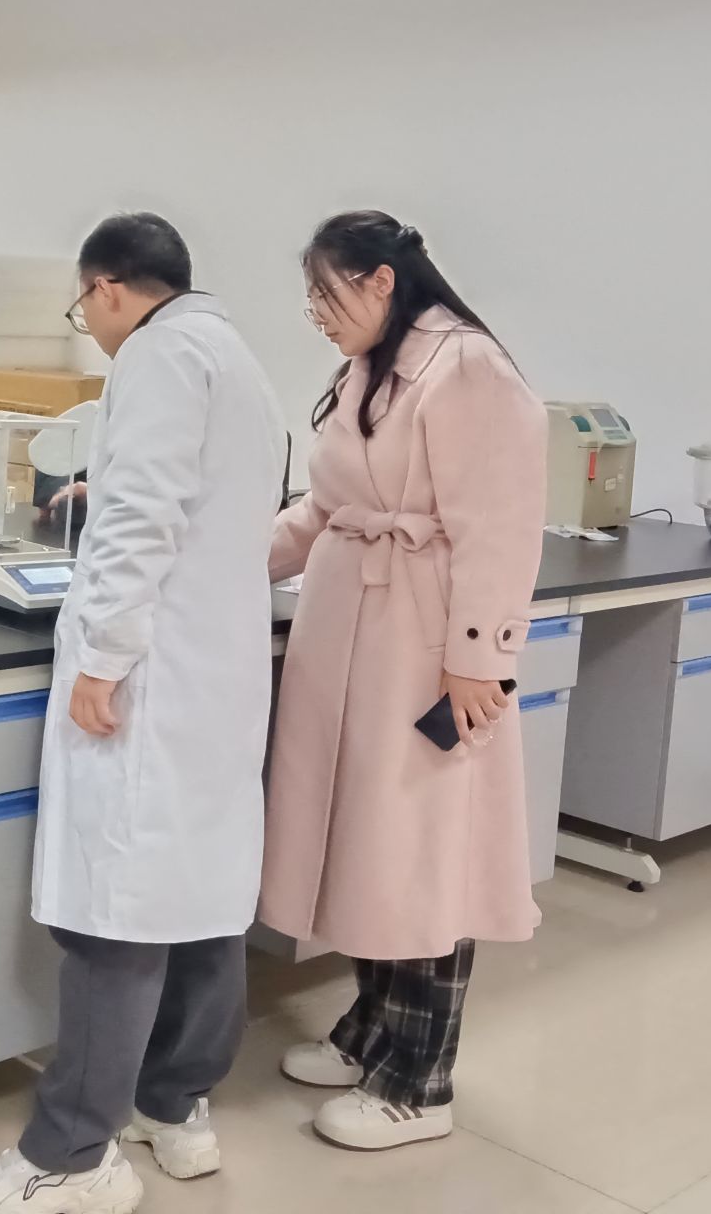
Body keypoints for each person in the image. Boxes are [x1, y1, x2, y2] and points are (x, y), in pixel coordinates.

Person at [0, 213, 284, 1214]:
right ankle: (173, 1106)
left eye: (82, 308)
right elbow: (200, 495)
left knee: (118, 913)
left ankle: (68, 1156)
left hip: (152, 675)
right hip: (214, 677)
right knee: (199, 899)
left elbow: (142, 521)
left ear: (105, 289)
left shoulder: (154, 355)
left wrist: (101, 658)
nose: (89, 326)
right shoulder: (230, 356)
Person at [261, 211, 545, 1152]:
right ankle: (372, 1033)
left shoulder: (467, 367)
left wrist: (479, 662)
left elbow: (501, 527)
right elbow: (325, 509)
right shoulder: (370, 369)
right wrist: (223, 559)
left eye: (326, 293)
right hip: (352, 640)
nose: (316, 313)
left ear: (381, 280)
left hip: (426, 650)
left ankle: (420, 1084)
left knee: (427, 852)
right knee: (370, 846)